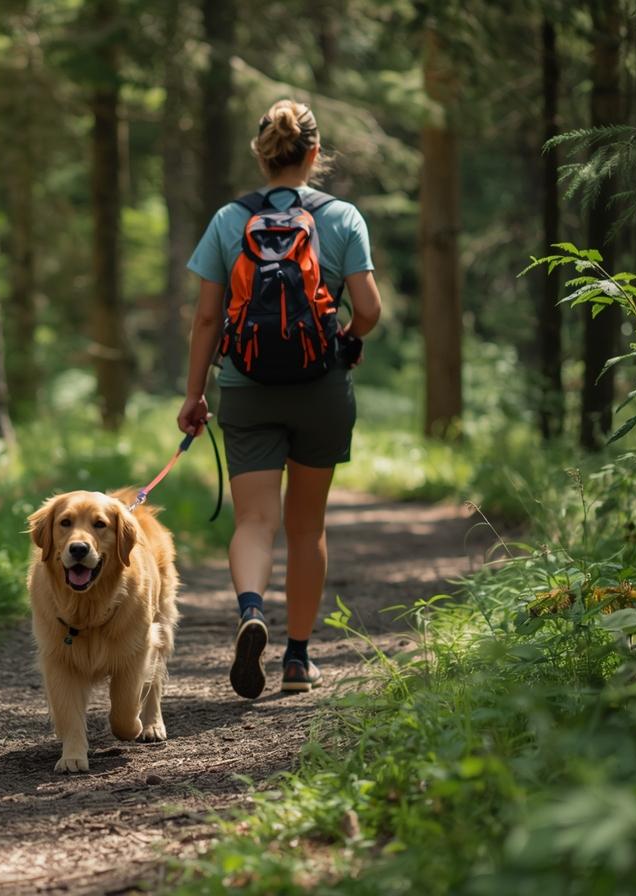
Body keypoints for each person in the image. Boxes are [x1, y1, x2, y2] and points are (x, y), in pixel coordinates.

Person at [177, 98, 383, 698]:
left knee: (256, 520)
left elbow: (207, 318)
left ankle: (249, 611)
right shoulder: (342, 218)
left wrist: (195, 395)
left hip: (246, 387)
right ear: (314, 154)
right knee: (305, 524)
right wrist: (347, 339)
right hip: (321, 387)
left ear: (261, 155)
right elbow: (368, 310)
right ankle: (297, 659)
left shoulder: (227, 220)